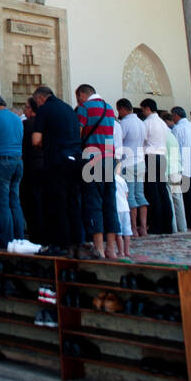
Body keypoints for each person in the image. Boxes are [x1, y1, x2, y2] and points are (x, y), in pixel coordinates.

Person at [30, 85, 83, 256]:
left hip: (57, 161)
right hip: (76, 160)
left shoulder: (45, 110)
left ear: (40, 98)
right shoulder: (68, 108)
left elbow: (36, 140)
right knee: (73, 202)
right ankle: (77, 242)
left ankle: (60, 243)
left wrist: (44, 144)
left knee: (55, 203)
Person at [75, 83, 119, 259]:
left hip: (92, 158)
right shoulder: (109, 109)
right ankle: (111, 248)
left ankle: (99, 247)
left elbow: (78, 134)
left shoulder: (84, 108)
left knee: (93, 202)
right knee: (109, 202)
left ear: (82, 95)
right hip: (109, 158)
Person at [0, 92, 25, 248]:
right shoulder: (16, 118)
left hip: (1, 162)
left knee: (1, 203)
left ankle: (6, 240)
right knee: (15, 201)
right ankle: (19, 238)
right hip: (18, 161)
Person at [140, 98, 174, 235]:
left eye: (142, 109)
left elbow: (143, 141)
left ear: (147, 108)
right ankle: (167, 225)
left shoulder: (147, 123)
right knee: (162, 191)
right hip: (161, 156)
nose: (142, 112)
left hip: (152, 157)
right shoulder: (162, 122)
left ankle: (156, 225)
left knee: (153, 193)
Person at [116, 98, 146, 236]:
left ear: (122, 109)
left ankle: (133, 228)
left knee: (131, 196)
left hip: (128, 162)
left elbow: (119, 141)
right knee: (140, 195)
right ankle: (143, 228)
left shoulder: (125, 123)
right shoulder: (141, 122)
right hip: (140, 161)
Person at [21, 97, 46, 243]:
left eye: (26, 107)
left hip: (30, 167)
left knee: (31, 203)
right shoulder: (46, 124)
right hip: (45, 165)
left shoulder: (27, 125)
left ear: (31, 109)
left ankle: (36, 236)